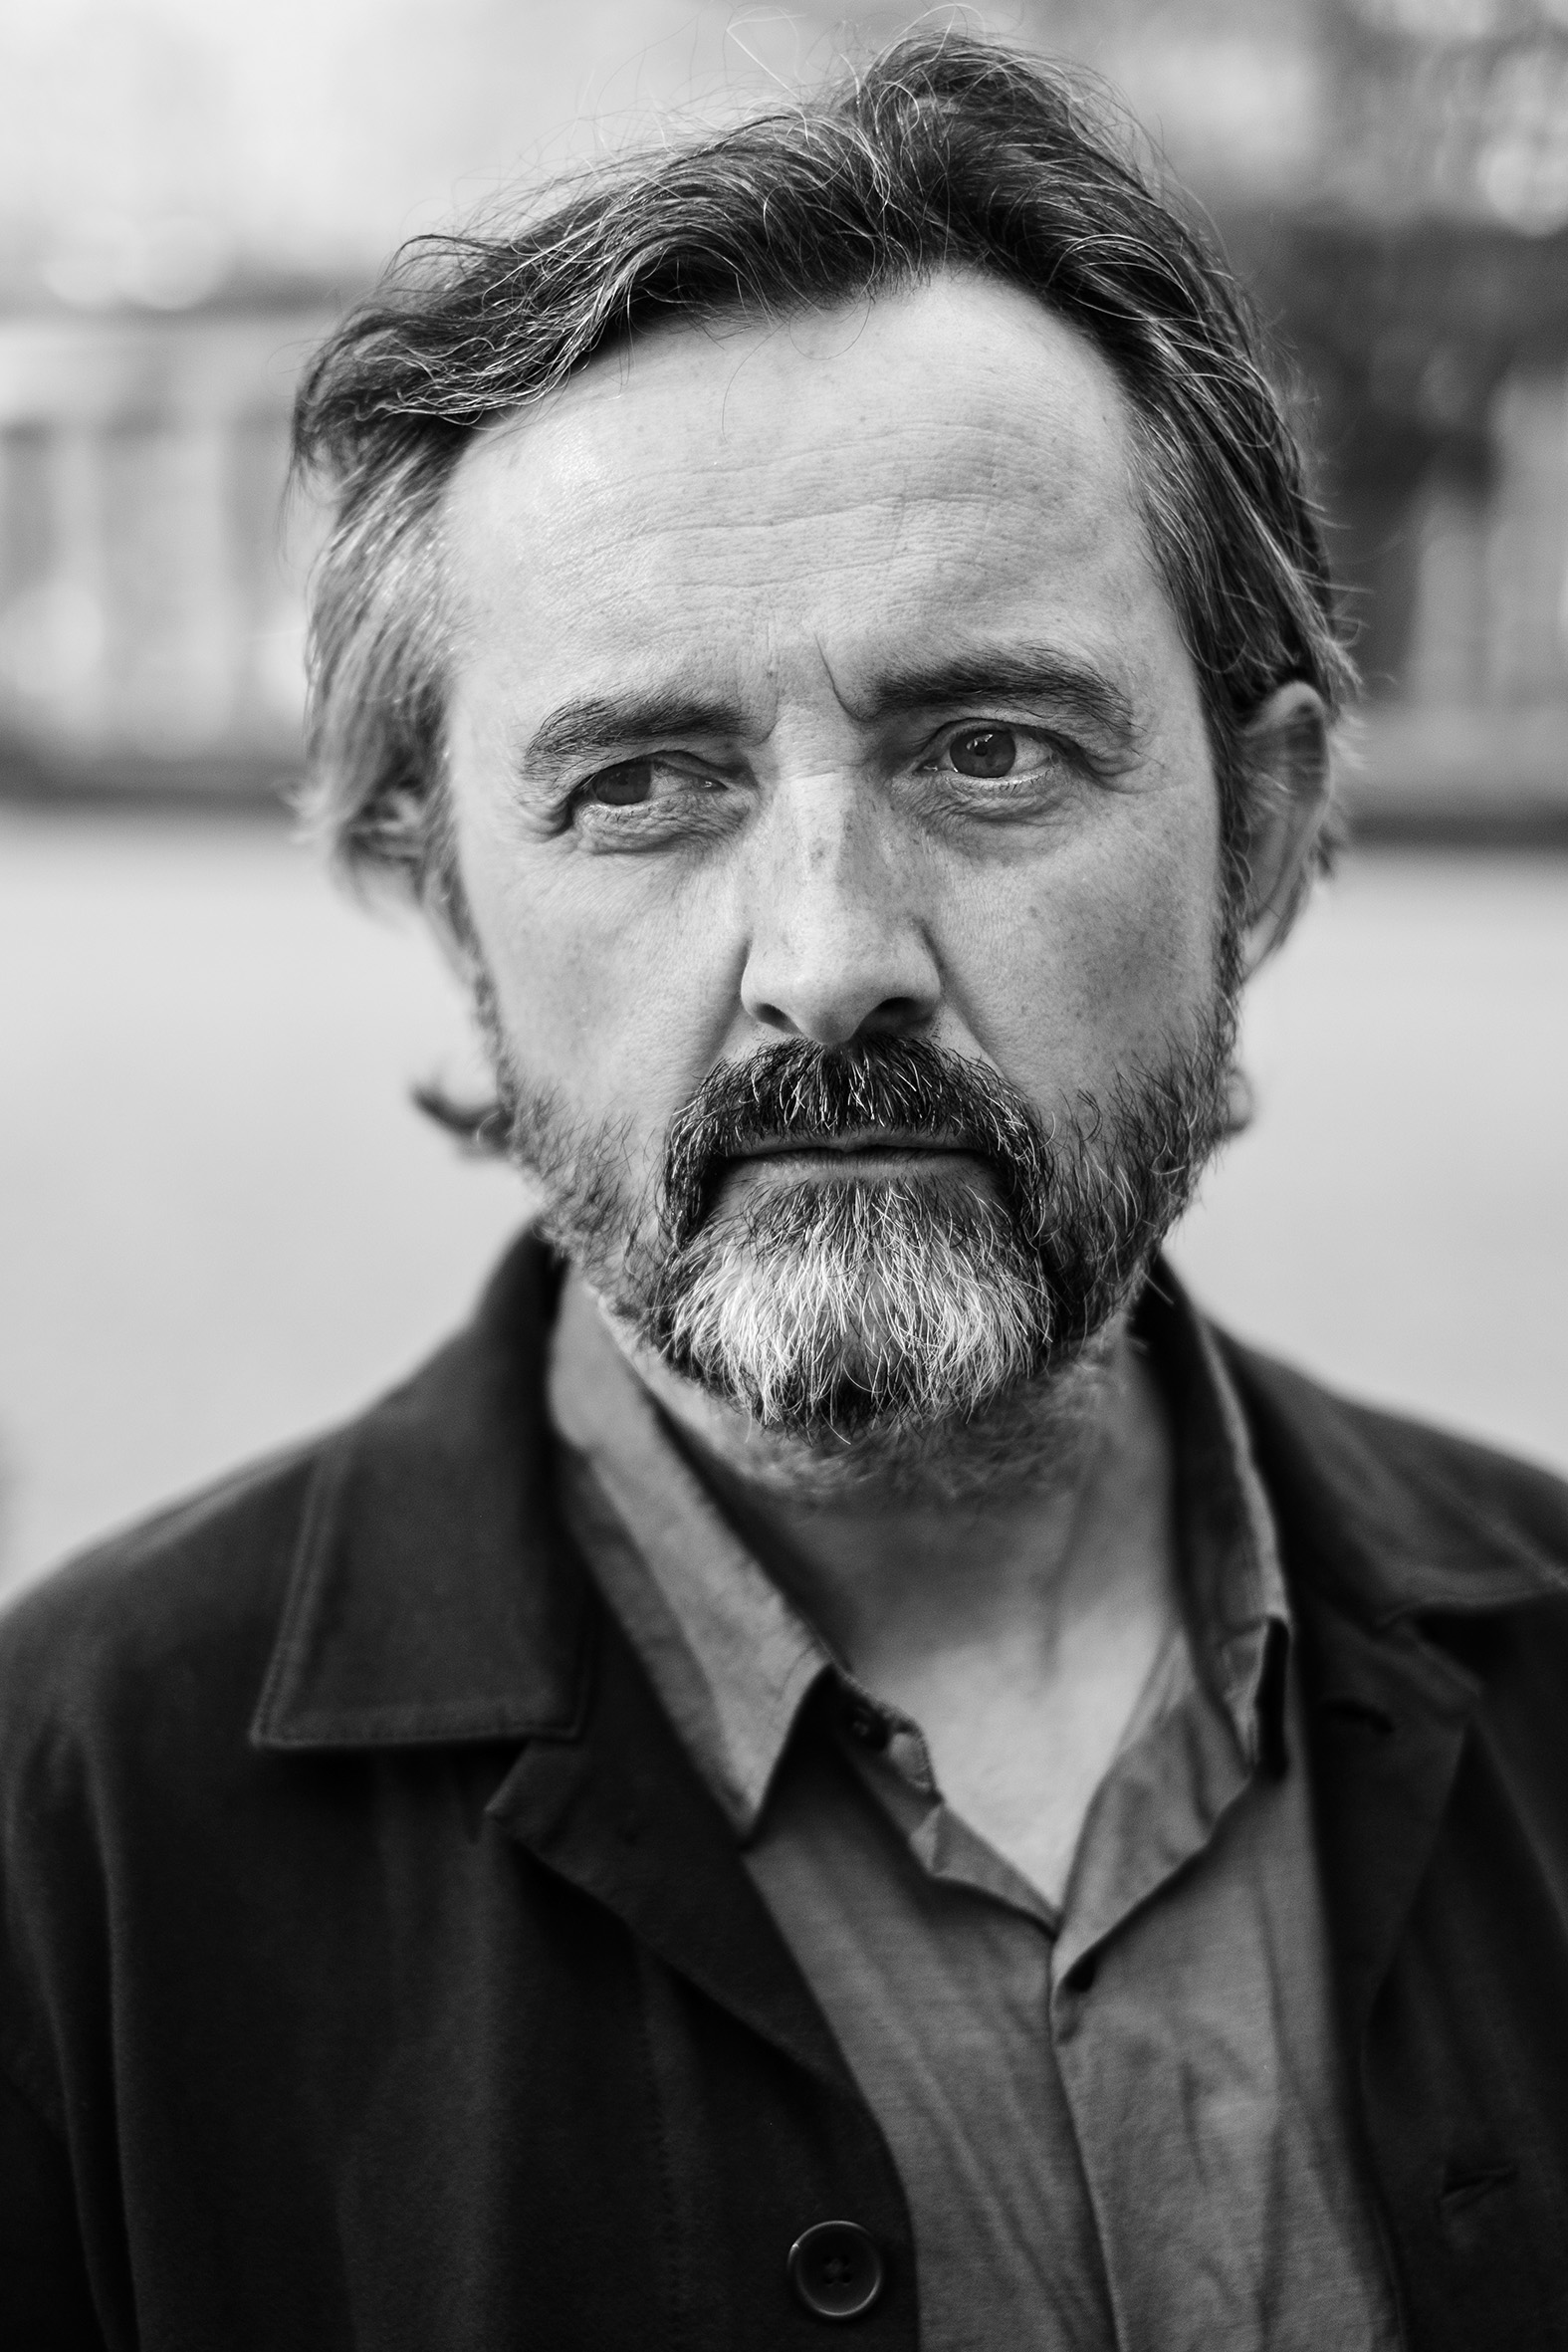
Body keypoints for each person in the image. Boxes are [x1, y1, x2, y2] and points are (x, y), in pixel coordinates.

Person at [3, 32, 1566, 2351]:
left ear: (1257, 834)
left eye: (987, 748)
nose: (826, 959)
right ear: (447, 903)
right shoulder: (67, 1841)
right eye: (644, 783)